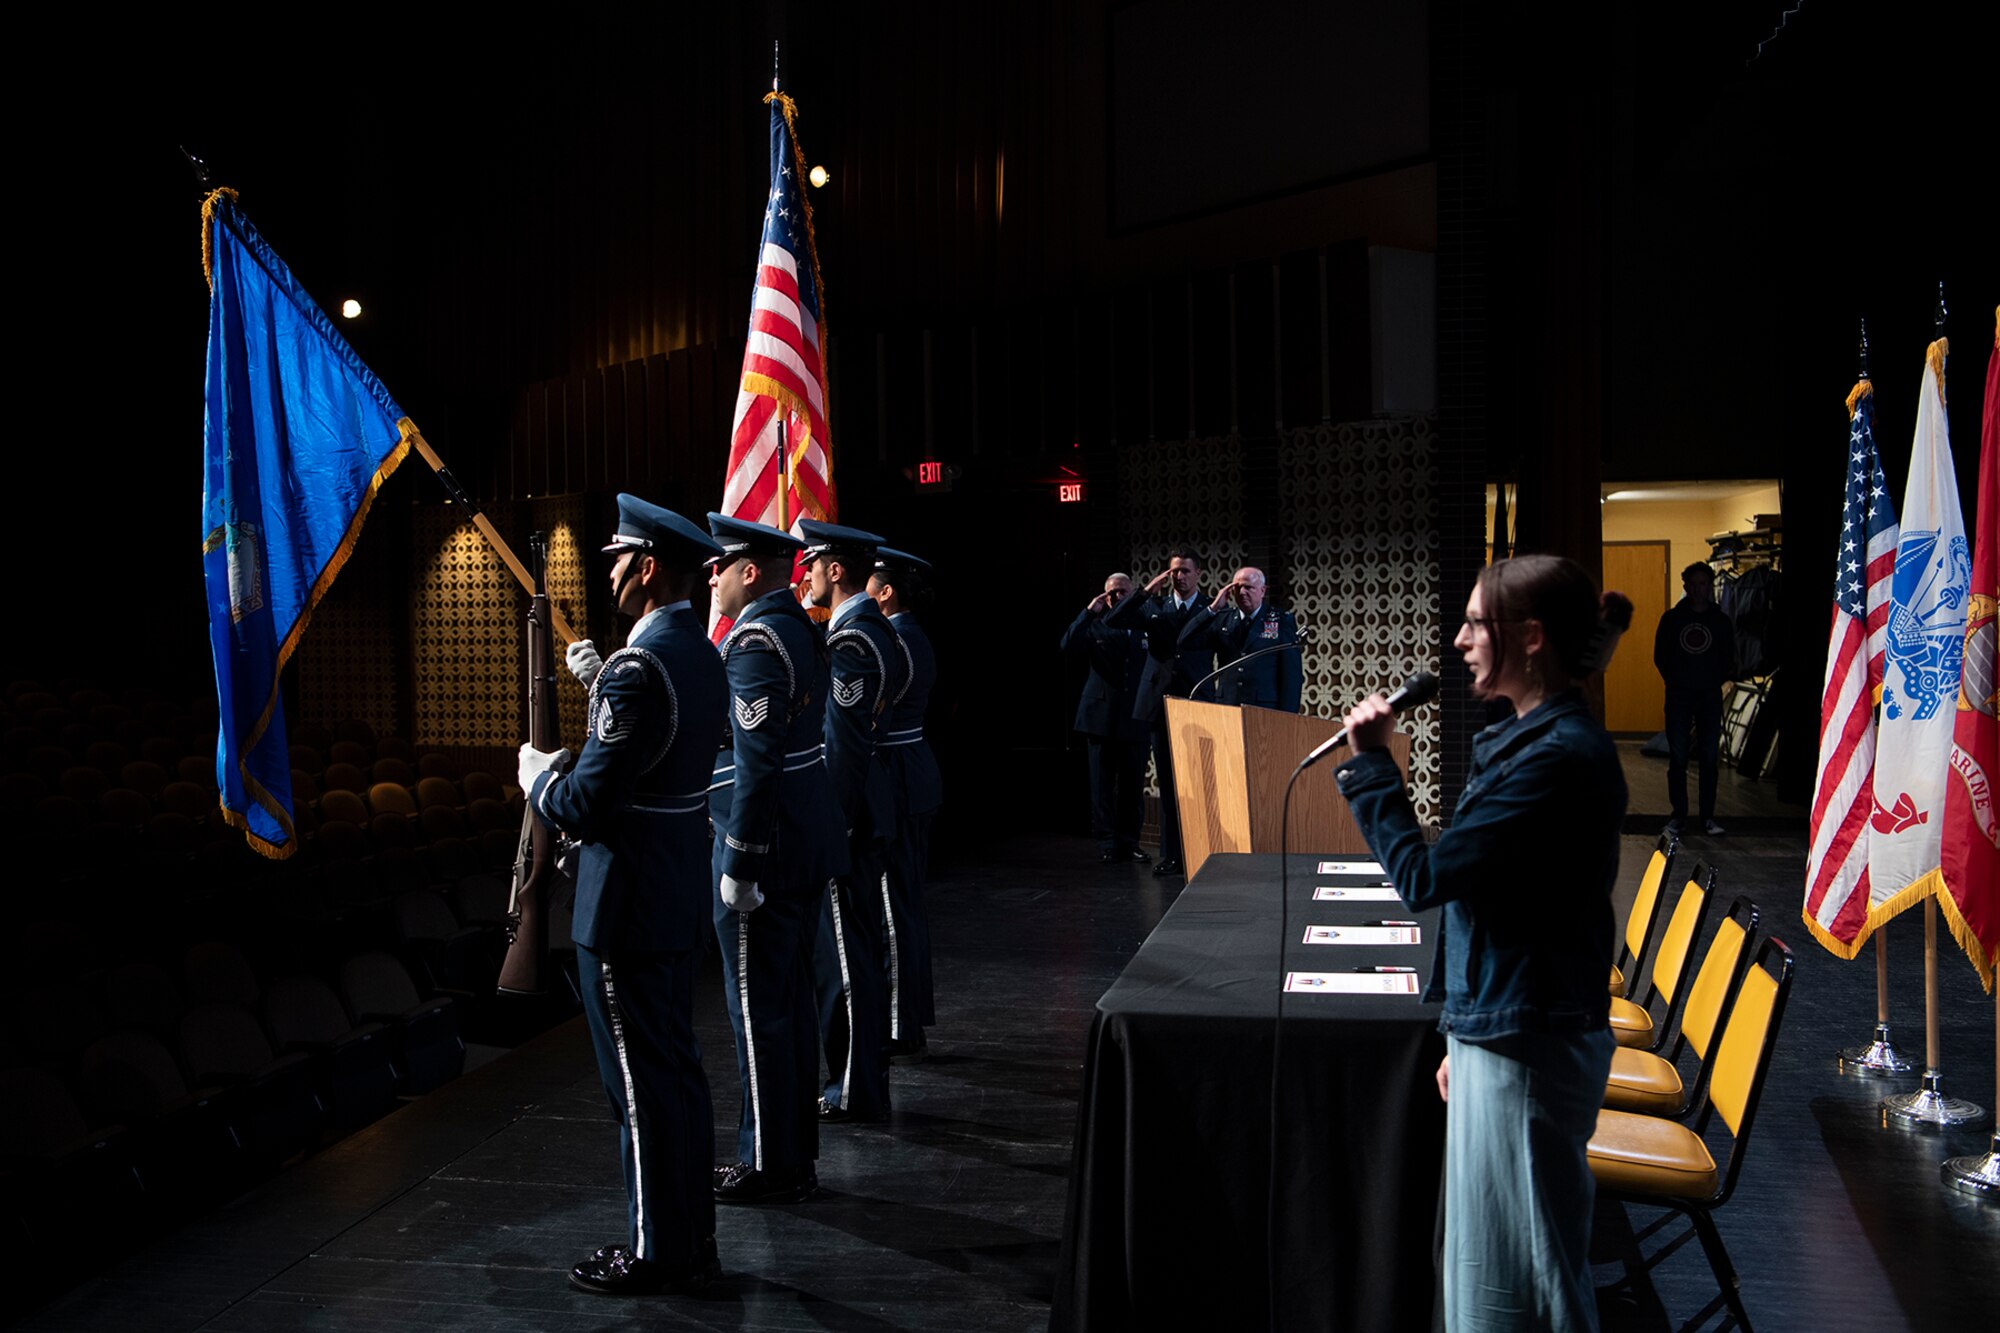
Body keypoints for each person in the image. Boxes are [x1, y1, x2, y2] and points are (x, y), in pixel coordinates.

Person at [1334, 554, 1630, 1333]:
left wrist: (1371, 768)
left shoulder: (1557, 758)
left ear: (1530, 637)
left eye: (1475, 622)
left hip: (1529, 1041)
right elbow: (1498, 904)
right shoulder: (1526, 739)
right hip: (1503, 1030)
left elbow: (1428, 878)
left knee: (1532, 1282)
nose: (1461, 640)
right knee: (1484, 1267)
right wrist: (1462, 1035)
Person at [517, 494, 728, 1296]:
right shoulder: (699, 654)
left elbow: (591, 802)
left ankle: (655, 1251)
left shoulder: (641, 669)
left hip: (627, 901)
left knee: (638, 1090)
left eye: (616, 557)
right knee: (677, 1072)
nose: (606, 570)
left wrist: (544, 779)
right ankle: (690, 1236)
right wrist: (607, 687)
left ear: (645, 568)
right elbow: (657, 752)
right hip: (674, 888)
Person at [706, 513, 848, 1205]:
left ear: (749, 571)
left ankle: (765, 1159)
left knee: (756, 1007)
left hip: (771, 845)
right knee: (788, 1002)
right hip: (805, 834)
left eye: (721, 564)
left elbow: (757, 765)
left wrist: (739, 859)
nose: (713, 574)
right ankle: (794, 1153)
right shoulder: (796, 625)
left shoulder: (757, 641)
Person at [798, 518, 910, 1123]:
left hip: (851, 818)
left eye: (811, 563)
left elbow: (843, 746)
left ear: (835, 569)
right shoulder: (868, 630)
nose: (805, 575)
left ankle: (853, 1086)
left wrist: (830, 827)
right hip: (869, 811)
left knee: (845, 960)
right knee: (856, 953)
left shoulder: (852, 640)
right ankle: (859, 1081)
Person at [1101, 546, 1215, 876]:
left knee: (1200, 782)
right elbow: (1114, 618)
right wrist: (1145, 592)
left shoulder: (1211, 608)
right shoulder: (1155, 605)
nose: (1178, 576)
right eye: (1174, 571)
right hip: (1160, 705)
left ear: (1197, 574)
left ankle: (1202, 853)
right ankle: (1172, 856)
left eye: (1184, 571)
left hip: (1198, 703)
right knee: (1168, 782)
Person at [870, 547, 942, 1063]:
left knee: (896, 908)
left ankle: (900, 1023)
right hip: (909, 773)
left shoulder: (897, 640)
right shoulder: (908, 635)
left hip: (899, 778)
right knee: (902, 904)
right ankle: (906, 1016)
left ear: (886, 591)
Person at [1060, 572, 1154, 863]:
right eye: (1112, 593)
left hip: (1134, 715)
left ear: (1132, 592)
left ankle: (1130, 841)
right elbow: (1068, 645)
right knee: (1102, 784)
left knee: (1132, 784)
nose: (1117, 598)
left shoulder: (1143, 623)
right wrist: (1088, 612)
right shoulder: (1095, 624)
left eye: (1123, 592)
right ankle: (1107, 842)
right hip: (1099, 716)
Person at [1653, 560, 1735, 836]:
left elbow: (1729, 657)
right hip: (1679, 695)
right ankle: (1678, 816)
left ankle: (1707, 817)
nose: (1699, 590)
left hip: (1709, 696)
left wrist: (1713, 680)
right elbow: (1660, 656)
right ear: (1685, 586)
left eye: (1704, 584)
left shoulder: (1720, 621)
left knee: (1709, 759)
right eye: (1694, 584)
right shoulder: (1672, 619)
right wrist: (1676, 681)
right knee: (1678, 758)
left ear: (1709, 586)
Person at [1176, 565, 1303, 712]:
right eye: (1237, 588)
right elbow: (1184, 640)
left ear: (1262, 591)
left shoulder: (1280, 620)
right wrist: (1213, 608)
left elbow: (1291, 674)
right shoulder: (1223, 619)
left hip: (1264, 709)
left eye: (1248, 587)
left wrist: (1288, 716)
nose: (1242, 592)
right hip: (1228, 705)